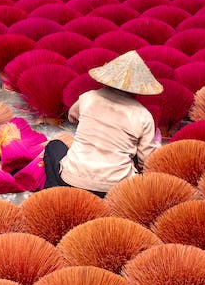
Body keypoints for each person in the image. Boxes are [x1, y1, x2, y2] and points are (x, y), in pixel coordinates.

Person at [43, 50, 163, 196]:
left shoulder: (89, 97)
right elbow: (146, 160)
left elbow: (72, 118)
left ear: (106, 80)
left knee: (53, 146)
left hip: (72, 179)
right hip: (114, 189)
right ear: (139, 90)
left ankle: (52, 192)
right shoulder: (143, 115)